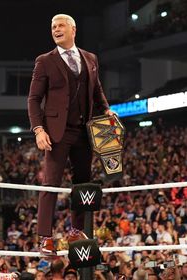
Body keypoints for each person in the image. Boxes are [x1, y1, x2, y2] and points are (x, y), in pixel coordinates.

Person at [28, 13, 114, 255]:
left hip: (84, 130)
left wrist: (106, 109)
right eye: (53, 26)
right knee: (51, 184)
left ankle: (78, 232)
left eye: (60, 25)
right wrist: (38, 129)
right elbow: (34, 99)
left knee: (83, 184)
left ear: (73, 29)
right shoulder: (44, 61)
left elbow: (97, 90)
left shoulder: (90, 58)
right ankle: (45, 237)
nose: (56, 29)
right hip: (56, 132)